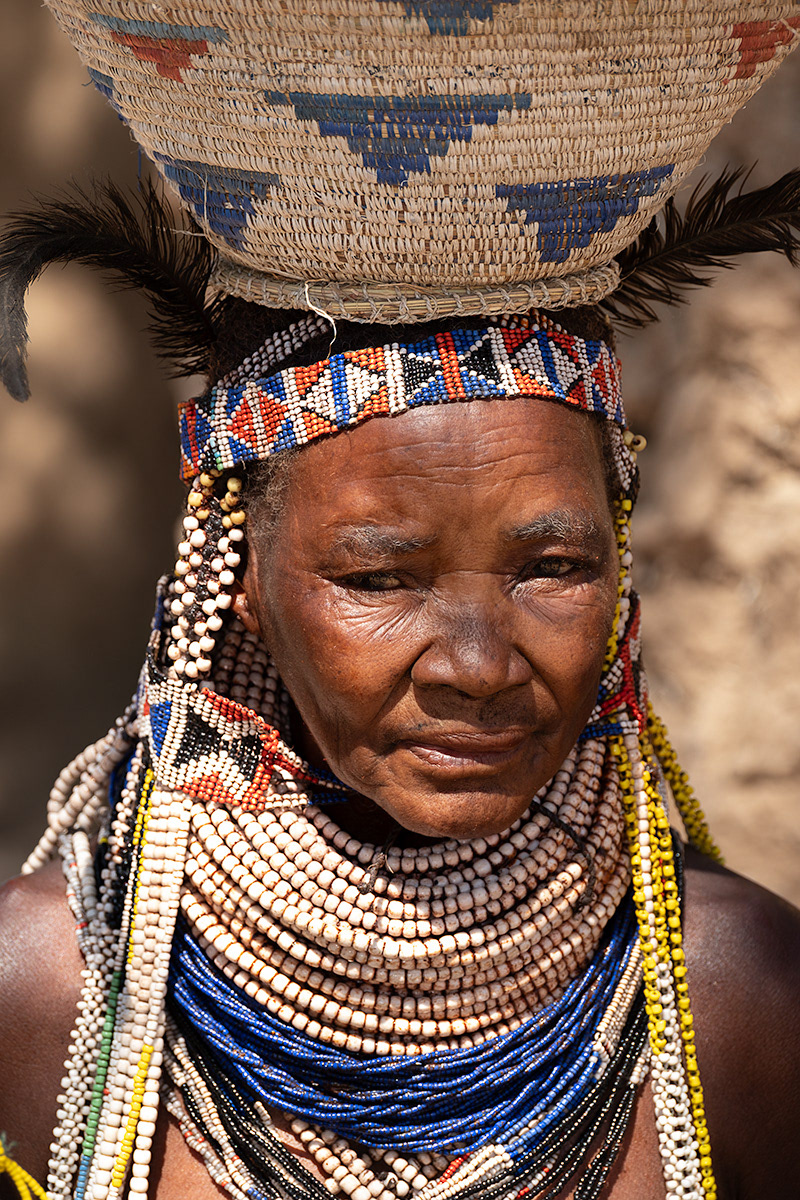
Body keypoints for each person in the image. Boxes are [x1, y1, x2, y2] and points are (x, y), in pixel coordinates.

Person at [1, 5, 800, 1200]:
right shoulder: (52, 992)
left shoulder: (735, 999)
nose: (477, 663)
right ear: (243, 580)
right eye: (378, 579)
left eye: (551, 568)